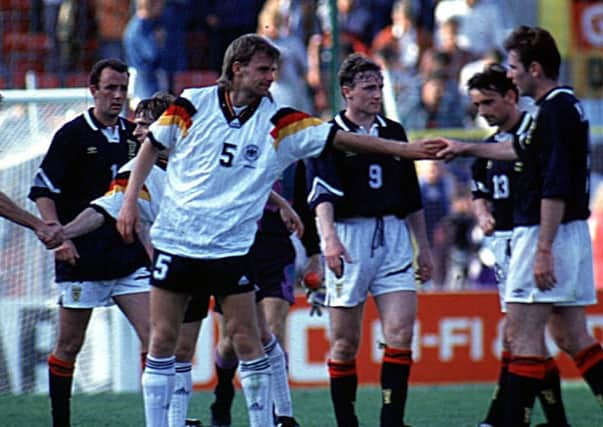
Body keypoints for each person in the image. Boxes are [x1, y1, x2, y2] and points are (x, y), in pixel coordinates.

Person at [115, 34, 443, 427]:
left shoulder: (280, 121)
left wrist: (408, 151)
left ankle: (268, 421)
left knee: (249, 340)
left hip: (230, 248)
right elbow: (151, 145)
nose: (271, 77)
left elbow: (341, 139)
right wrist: (131, 201)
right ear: (237, 69)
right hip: (178, 241)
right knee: (164, 342)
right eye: (263, 69)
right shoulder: (192, 103)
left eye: (273, 70)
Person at [437, 26, 603, 426]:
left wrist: (543, 248)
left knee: (524, 338)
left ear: (534, 68)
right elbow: (518, 149)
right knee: (570, 337)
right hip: (569, 231)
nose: (509, 74)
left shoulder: (552, 111)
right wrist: (466, 147)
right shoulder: (561, 108)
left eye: (513, 67)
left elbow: (553, 184)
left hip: (544, 231)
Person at [305, 53, 432, 427]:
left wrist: (422, 246)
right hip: (349, 237)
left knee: (401, 331)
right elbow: (322, 194)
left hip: (392, 235)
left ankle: (392, 419)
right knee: (344, 343)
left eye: (380, 87)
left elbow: (411, 196)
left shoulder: (393, 131)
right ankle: (347, 421)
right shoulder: (328, 134)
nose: (377, 94)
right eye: (369, 88)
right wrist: (329, 239)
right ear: (347, 92)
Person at [27, 58, 150, 427]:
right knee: (69, 346)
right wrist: (56, 234)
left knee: (157, 339)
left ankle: (165, 418)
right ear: (92, 90)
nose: (117, 96)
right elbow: (43, 190)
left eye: (122, 89)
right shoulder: (72, 135)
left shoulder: (135, 136)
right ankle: (60, 421)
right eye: (110, 88)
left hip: (127, 257)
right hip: (82, 258)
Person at [467, 64, 569, 426]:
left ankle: (512, 418)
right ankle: (516, 417)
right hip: (504, 245)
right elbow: (478, 189)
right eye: (477, 105)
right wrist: (482, 213)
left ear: (511, 97)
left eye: (487, 103)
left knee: (528, 335)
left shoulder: (532, 132)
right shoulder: (487, 148)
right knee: (525, 337)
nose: (482, 112)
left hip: (533, 238)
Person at [210, 167, 321, 427]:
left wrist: (314, 253)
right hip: (234, 249)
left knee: (272, 331)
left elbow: (305, 206)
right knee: (230, 340)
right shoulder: (236, 141)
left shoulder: (293, 154)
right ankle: (223, 392)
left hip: (277, 253)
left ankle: (276, 412)